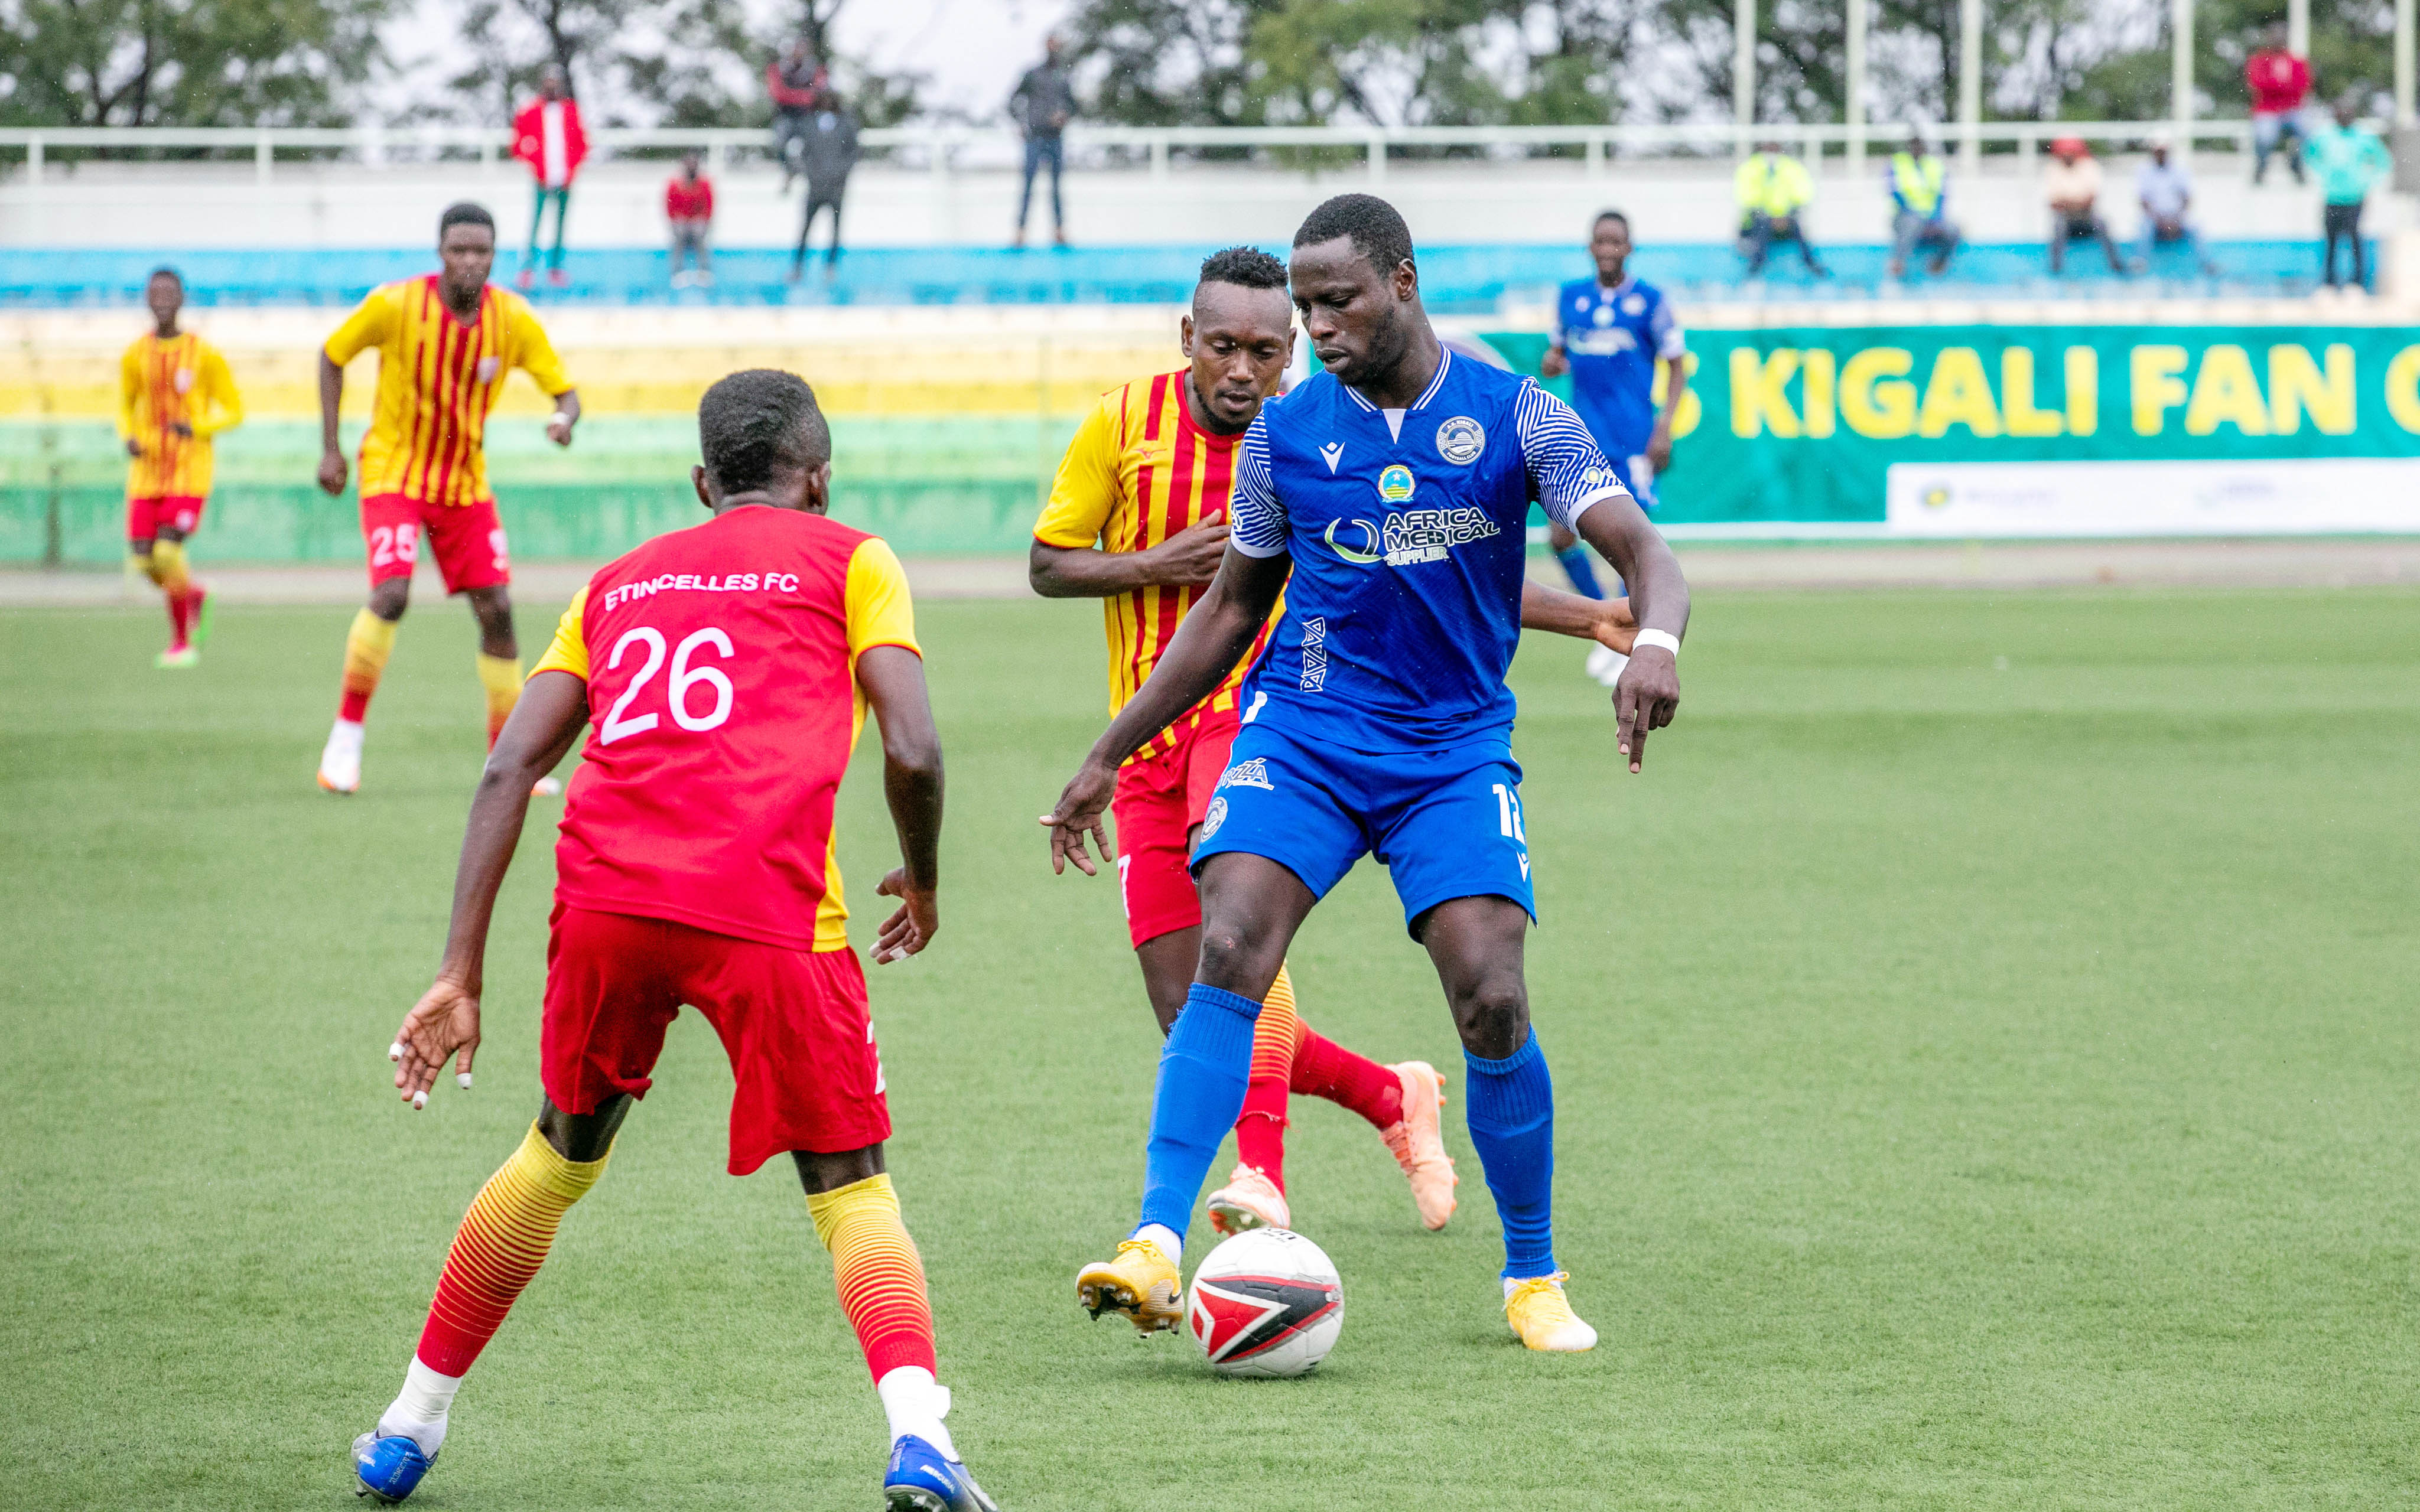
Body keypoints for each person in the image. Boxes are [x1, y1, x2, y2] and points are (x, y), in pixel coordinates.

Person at [347, 369, 1000, 1512]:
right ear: (821, 472)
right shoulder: (854, 557)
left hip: (606, 903)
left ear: (704, 483)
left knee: (556, 1153)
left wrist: (459, 968)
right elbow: (914, 748)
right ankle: (920, 1439)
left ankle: (409, 1421)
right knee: (849, 1181)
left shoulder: (614, 582)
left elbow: (511, 766)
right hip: (769, 909)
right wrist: (928, 878)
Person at [1046, 194, 1687, 1354]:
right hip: (1304, 729)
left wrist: (1654, 640)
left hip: (1451, 749)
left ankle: (1531, 1271)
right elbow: (1228, 609)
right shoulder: (1284, 438)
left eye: (1335, 299)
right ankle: (1152, 1234)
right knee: (1230, 939)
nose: (1317, 324)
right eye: (1306, 305)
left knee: (1489, 986)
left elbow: (1641, 551)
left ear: (1401, 280)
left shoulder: (1517, 414)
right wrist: (1103, 753)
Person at [313, 203, 581, 796]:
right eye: (458, 249)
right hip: (394, 473)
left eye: (480, 251)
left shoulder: (512, 320)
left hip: (464, 485)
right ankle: (346, 739)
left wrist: (564, 419)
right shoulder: (395, 304)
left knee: (499, 612)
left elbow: (566, 392)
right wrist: (330, 449)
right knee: (392, 592)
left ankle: (506, 755)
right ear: (440, 252)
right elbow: (332, 355)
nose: (469, 261)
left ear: (493, 256)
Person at [1540, 209, 1690, 686]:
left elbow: (1677, 366)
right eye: (1600, 241)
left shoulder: (1650, 301)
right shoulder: (1570, 298)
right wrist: (1554, 360)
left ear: (1629, 247)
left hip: (1631, 443)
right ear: (1590, 247)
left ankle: (1631, 641)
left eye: (1616, 242)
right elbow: (1559, 352)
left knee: (1629, 546)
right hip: (1578, 443)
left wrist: (1663, 429)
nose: (1608, 249)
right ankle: (1605, 621)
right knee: (1561, 537)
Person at [119, 267, 241, 670]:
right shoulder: (134, 355)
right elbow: (124, 404)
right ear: (148, 299)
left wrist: (197, 426)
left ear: (182, 298)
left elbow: (235, 410)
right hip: (147, 473)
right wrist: (129, 437)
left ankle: (181, 643)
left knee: (168, 552)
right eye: (156, 292)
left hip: (190, 472)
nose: (163, 299)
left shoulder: (204, 354)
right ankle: (195, 596)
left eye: (170, 292)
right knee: (143, 560)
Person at [509, 63, 586, 290]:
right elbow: (517, 145)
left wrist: (572, 168)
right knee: (536, 223)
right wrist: (534, 162)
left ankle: (556, 269)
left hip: (566, 179)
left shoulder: (571, 110)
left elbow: (582, 143)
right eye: (548, 82)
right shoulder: (531, 111)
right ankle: (528, 269)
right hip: (541, 179)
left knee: (560, 225)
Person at [2307, 99, 2391, 289]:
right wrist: (2322, 174)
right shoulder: (2325, 136)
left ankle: (2358, 283)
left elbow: (2383, 160)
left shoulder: (2363, 136)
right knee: (2331, 241)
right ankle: (2329, 283)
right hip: (2332, 197)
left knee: (2354, 239)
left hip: (2355, 197)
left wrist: (2368, 181)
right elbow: (2309, 154)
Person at [1009, 34, 1075, 249]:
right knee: (1028, 186)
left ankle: (1059, 231)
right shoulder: (1032, 75)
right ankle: (1020, 232)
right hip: (1034, 138)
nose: (1054, 49)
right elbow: (1012, 102)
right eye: (1051, 45)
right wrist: (1021, 124)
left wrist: (1064, 115)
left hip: (1055, 138)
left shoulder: (1063, 77)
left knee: (1056, 187)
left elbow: (1074, 106)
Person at [793, 90, 860, 280]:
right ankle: (798, 267)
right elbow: (803, 153)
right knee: (805, 228)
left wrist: (840, 173)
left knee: (836, 229)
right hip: (815, 187)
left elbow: (853, 152)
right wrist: (811, 174)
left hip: (837, 188)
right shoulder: (809, 123)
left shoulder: (847, 123)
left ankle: (830, 268)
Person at [1733, 140, 1827, 276]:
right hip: (1757, 221)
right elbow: (1745, 195)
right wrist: (1763, 214)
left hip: (1785, 221)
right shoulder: (1751, 168)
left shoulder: (1790, 167)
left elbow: (1803, 193)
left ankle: (1811, 264)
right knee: (1762, 226)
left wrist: (1789, 214)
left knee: (1797, 228)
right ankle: (1755, 267)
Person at [2044, 137, 2128, 276]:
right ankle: (2056, 270)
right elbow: (2053, 203)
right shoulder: (2053, 169)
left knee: (2103, 224)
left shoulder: (2089, 166)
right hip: (2066, 218)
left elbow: (2091, 199)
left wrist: (2067, 202)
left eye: (2070, 151)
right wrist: (2076, 202)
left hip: (2087, 216)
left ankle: (2116, 266)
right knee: (2058, 228)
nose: (2067, 155)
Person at [2135, 137, 2217, 275]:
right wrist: (2159, 220)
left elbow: (2187, 198)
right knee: (2144, 228)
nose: (2161, 154)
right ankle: (2140, 264)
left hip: (2177, 218)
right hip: (2155, 219)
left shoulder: (2179, 169)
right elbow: (2143, 201)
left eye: (2163, 151)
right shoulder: (2144, 170)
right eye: (2158, 151)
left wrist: (2176, 219)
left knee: (2196, 227)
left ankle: (2207, 264)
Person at [1886, 135, 1962, 279]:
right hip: (1905, 217)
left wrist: (1934, 220)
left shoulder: (1934, 166)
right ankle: (1897, 265)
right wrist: (1918, 217)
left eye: (1920, 147)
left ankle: (1938, 266)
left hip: (1931, 219)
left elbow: (1941, 197)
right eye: (1914, 147)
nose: (1917, 150)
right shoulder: (1897, 164)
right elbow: (1895, 195)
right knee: (1911, 223)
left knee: (1954, 230)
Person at [2246, 22, 2312, 185]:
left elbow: (2304, 85)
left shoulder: (2296, 61)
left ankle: (2296, 164)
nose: (2278, 39)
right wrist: (2283, 85)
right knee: (2264, 137)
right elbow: (2256, 83)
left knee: (2308, 134)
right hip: (2267, 110)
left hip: (2292, 110)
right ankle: (2261, 166)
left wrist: (2276, 86)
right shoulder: (2259, 60)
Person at [766, 38, 825, 193]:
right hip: (785, 116)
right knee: (779, 143)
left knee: (815, 144)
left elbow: (818, 93)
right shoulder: (778, 69)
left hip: (808, 116)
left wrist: (793, 96)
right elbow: (778, 93)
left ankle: (805, 176)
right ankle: (790, 173)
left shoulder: (814, 70)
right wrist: (803, 97)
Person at [665, 150, 715, 289]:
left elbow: (708, 207)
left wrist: (700, 219)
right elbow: (670, 207)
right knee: (679, 235)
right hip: (681, 222)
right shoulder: (675, 184)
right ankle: (677, 271)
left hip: (698, 222)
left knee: (699, 234)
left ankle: (704, 271)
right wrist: (679, 218)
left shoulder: (704, 184)